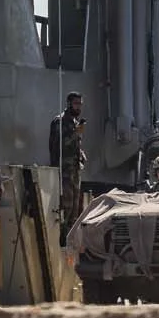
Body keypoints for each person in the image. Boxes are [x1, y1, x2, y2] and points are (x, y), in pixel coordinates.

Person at [48, 93, 86, 243]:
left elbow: (73, 146)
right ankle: (62, 239)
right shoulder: (60, 122)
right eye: (76, 104)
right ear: (69, 104)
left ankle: (70, 239)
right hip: (64, 171)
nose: (79, 107)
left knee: (75, 207)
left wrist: (81, 154)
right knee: (66, 206)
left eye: (80, 104)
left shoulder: (74, 122)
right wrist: (75, 133)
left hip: (74, 171)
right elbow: (59, 146)